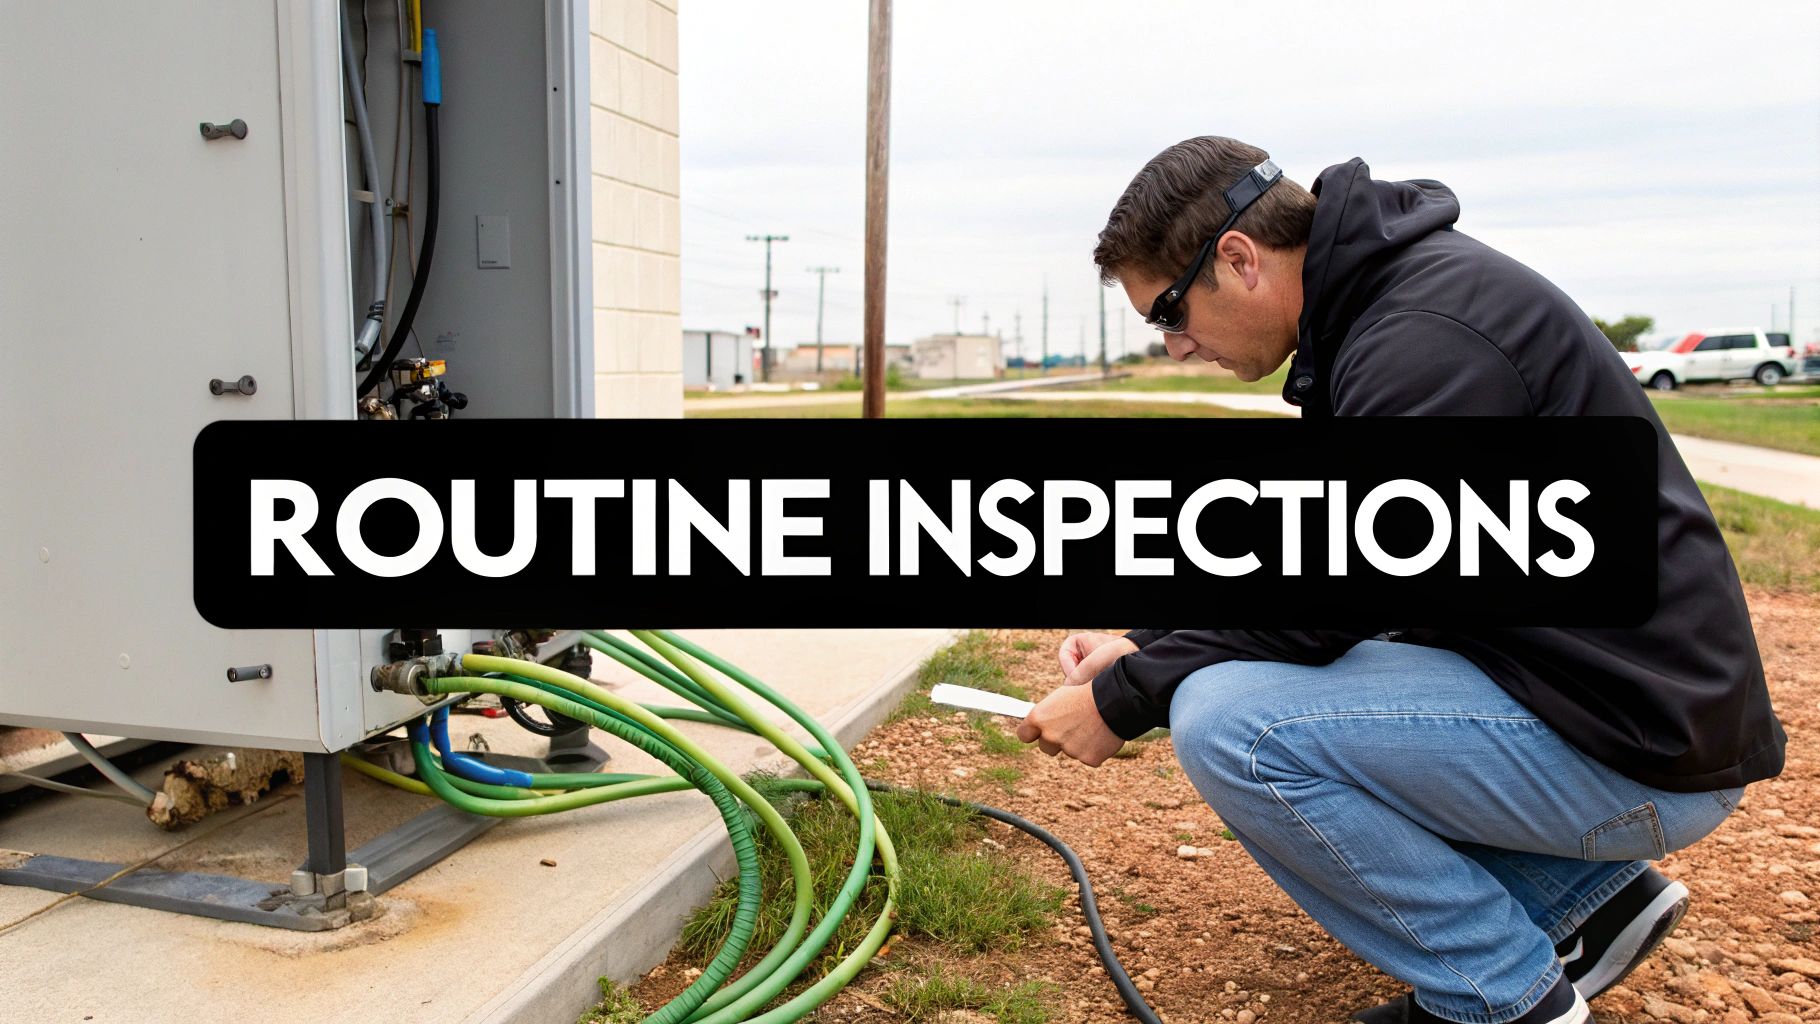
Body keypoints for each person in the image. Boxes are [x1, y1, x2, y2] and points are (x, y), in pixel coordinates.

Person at [1014, 137, 1785, 1024]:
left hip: (1637, 746)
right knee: (1251, 687)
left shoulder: (1424, 337)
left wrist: (1127, 698)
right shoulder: (1386, 310)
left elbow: (1330, 599)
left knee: (1236, 727)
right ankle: (1586, 906)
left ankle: (1500, 998)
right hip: (1606, 704)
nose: (1178, 345)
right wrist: (1146, 643)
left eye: (1170, 313)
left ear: (1238, 257)